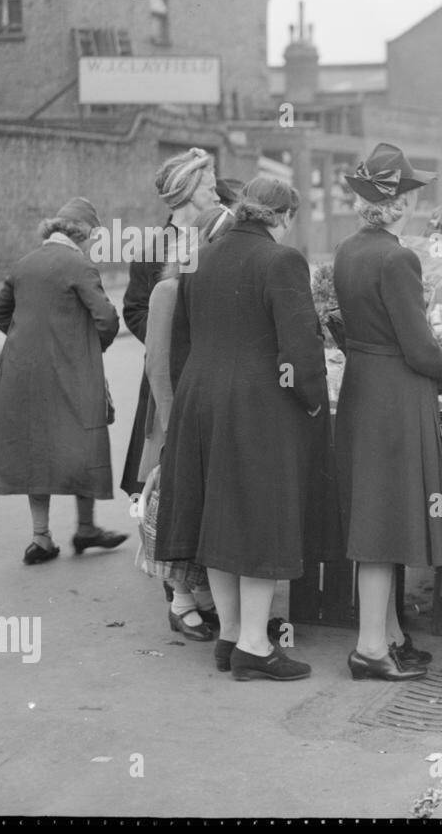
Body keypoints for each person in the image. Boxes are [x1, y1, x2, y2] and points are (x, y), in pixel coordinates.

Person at [155, 176, 337, 681]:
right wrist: (315, 404)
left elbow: (182, 341)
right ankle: (256, 645)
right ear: (282, 216)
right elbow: (299, 350)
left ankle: (231, 635)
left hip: (202, 398)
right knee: (260, 518)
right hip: (258, 404)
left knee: (220, 514)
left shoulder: (204, 254)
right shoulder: (282, 260)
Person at [334, 142, 442, 682]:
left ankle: (391, 636)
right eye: (409, 189)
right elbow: (418, 346)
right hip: (397, 394)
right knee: (386, 521)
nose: (415, 199)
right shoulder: (398, 256)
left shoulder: (349, 250)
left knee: (375, 512)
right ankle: (369, 650)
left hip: (363, 387)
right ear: (398, 201)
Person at [0, 197, 128, 563]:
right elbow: (107, 319)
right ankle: (87, 528)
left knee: (35, 447)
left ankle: (41, 538)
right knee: (84, 440)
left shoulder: (24, 264)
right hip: (70, 372)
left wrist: (25, 340)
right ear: (83, 233)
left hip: (21, 373)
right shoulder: (79, 264)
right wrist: (88, 348)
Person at [120, 148, 219, 501]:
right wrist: (170, 336)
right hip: (167, 378)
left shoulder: (218, 241)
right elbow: (133, 309)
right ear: (189, 190)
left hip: (209, 372)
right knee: (162, 479)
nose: (217, 194)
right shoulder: (152, 248)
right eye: (209, 187)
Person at [138, 258, 216, 641]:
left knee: (202, 509)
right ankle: (181, 602)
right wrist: (173, 430)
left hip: (205, 417)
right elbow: (157, 364)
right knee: (177, 508)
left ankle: (201, 597)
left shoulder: (209, 289)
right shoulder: (169, 291)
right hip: (178, 419)